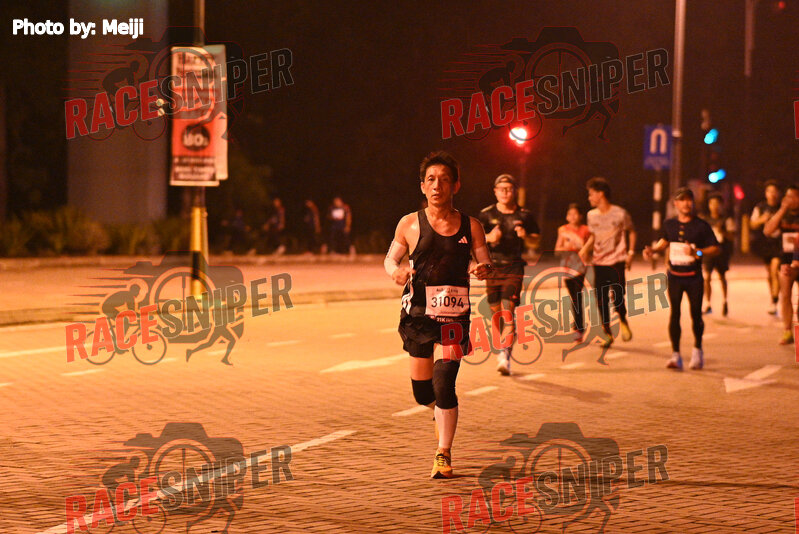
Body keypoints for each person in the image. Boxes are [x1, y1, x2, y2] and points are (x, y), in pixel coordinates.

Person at [384, 151, 492, 479]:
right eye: (431, 179)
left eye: (444, 180)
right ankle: (442, 411)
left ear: (455, 185)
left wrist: (482, 269)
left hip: (454, 316)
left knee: (444, 381)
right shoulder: (409, 223)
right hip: (418, 315)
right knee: (423, 393)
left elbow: (484, 260)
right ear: (422, 186)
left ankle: (443, 453)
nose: (437, 185)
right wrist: (396, 272)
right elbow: (390, 259)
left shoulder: (472, 226)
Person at [644, 188, 719, 370]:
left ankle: (697, 350)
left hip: (694, 277)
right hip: (675, 277)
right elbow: (664, 241)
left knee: (695, 314)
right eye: (682, 200)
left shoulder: (701, 226)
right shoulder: (669, 224)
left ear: (693, 203)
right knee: (675, 314)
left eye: (689, 200)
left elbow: (715, 248)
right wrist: (653, 250)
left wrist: (697, 252)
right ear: (675, 204)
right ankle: (675, 355)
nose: (686, 203)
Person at [478, 174, 540, 375]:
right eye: (501, 189)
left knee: (508, 311)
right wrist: (490, 237)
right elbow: (475, 241)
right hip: (492, 268)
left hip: (514, 267)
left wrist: (525, 236)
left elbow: (536, 241)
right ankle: (501, 347)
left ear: (515, 192)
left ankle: (505, 355)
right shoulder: (486, 215)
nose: (505, 192)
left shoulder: (525, 215)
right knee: (496, 313)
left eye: (509, 189)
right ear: (495, 192)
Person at [579, 177, 635, 348]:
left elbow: (631, 231)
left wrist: (631, 252)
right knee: (601, 299)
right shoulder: (591, 215)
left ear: (600, 194)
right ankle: (608, 334)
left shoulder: (620, 213)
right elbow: (594, 236)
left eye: (591, 194)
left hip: (617, 261)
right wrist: (585, 249)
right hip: (599, 262)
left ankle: (622, 319)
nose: (589, 198)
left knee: (618, 296)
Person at [763, 184, 799, 344]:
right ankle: (787, 331)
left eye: (795, 197)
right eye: (789, 197)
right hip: (786, 261)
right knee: (785, 294)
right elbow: (767, 230)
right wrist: (783, 209)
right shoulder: (782, 213)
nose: (792, 200)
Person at [555, 203, 591, 342]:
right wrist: (568, 247)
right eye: (570, 214)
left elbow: (591, 248)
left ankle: (579, 328)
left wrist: (584, 250)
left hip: (581, 266)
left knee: (577, 295)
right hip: (567, 266)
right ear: (567, 216)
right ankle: (577, 323)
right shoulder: (563, 230)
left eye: (575, 214)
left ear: (581, 216)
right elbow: (557, 250)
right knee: (573, 297)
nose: (572, 217)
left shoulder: (586, 230)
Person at [750, 180, 782, 315]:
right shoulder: (760, 207)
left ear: (778, 193)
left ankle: (775, 301)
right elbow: (752, 224)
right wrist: (762, 219)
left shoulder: (782, 207)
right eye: (769, 191)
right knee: (769, 274)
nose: (772, 194)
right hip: (765, 244)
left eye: (774, 191)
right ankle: (773, 296)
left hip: (780, 244)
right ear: (766, 193)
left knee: (775, 270)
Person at [701, 193, 735, 316]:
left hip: (722, 252)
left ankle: (725, 301)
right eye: (712, 203)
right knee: (707, 277)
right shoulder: (705, 220)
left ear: (721, 205)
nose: (715, 206)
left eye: (717, 204)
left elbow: (732, 237)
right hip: (708, 252)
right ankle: (708, 303)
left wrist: (723, 232)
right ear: (709, 205)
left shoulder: (727, 220)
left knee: (722, 277)